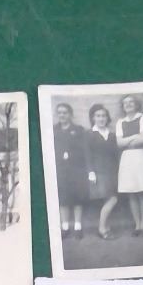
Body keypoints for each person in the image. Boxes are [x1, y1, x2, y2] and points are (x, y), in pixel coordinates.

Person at [113, 93, 143, 237]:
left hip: (140, 156)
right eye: (125, 103)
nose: (128, 104)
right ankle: (137, 225)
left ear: (136, 104)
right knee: (131, 192)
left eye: (131, 102)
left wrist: (127, 140)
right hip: (127, 158)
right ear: (123, 106)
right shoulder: (120, 122)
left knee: (142, 191)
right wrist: (134, 137)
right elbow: (119, 143)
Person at [50, 102, 93, 240]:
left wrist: (88, 169)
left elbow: (85, 150)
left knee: (77, 198)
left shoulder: (79, 130)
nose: (62, 115)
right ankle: (65, 227)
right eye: (59, 113)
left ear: (70, 114)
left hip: (77, 169)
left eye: (65, 112)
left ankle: (78, 227)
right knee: (63, 198)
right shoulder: (53, 130)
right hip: (60, 169)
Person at [86, 104, 120, 238]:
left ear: (107, 118)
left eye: (104, 116)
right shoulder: (89, 134)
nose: (101, 118)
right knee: (112, 199)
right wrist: (91, 172)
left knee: (109, 198)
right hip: (98, 172)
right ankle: (102, 229)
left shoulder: (111, 135)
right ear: (93, 118)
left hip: (112, 172)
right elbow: (87, 154)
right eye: (98, 116)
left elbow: (115, 155)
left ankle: (105, 226)